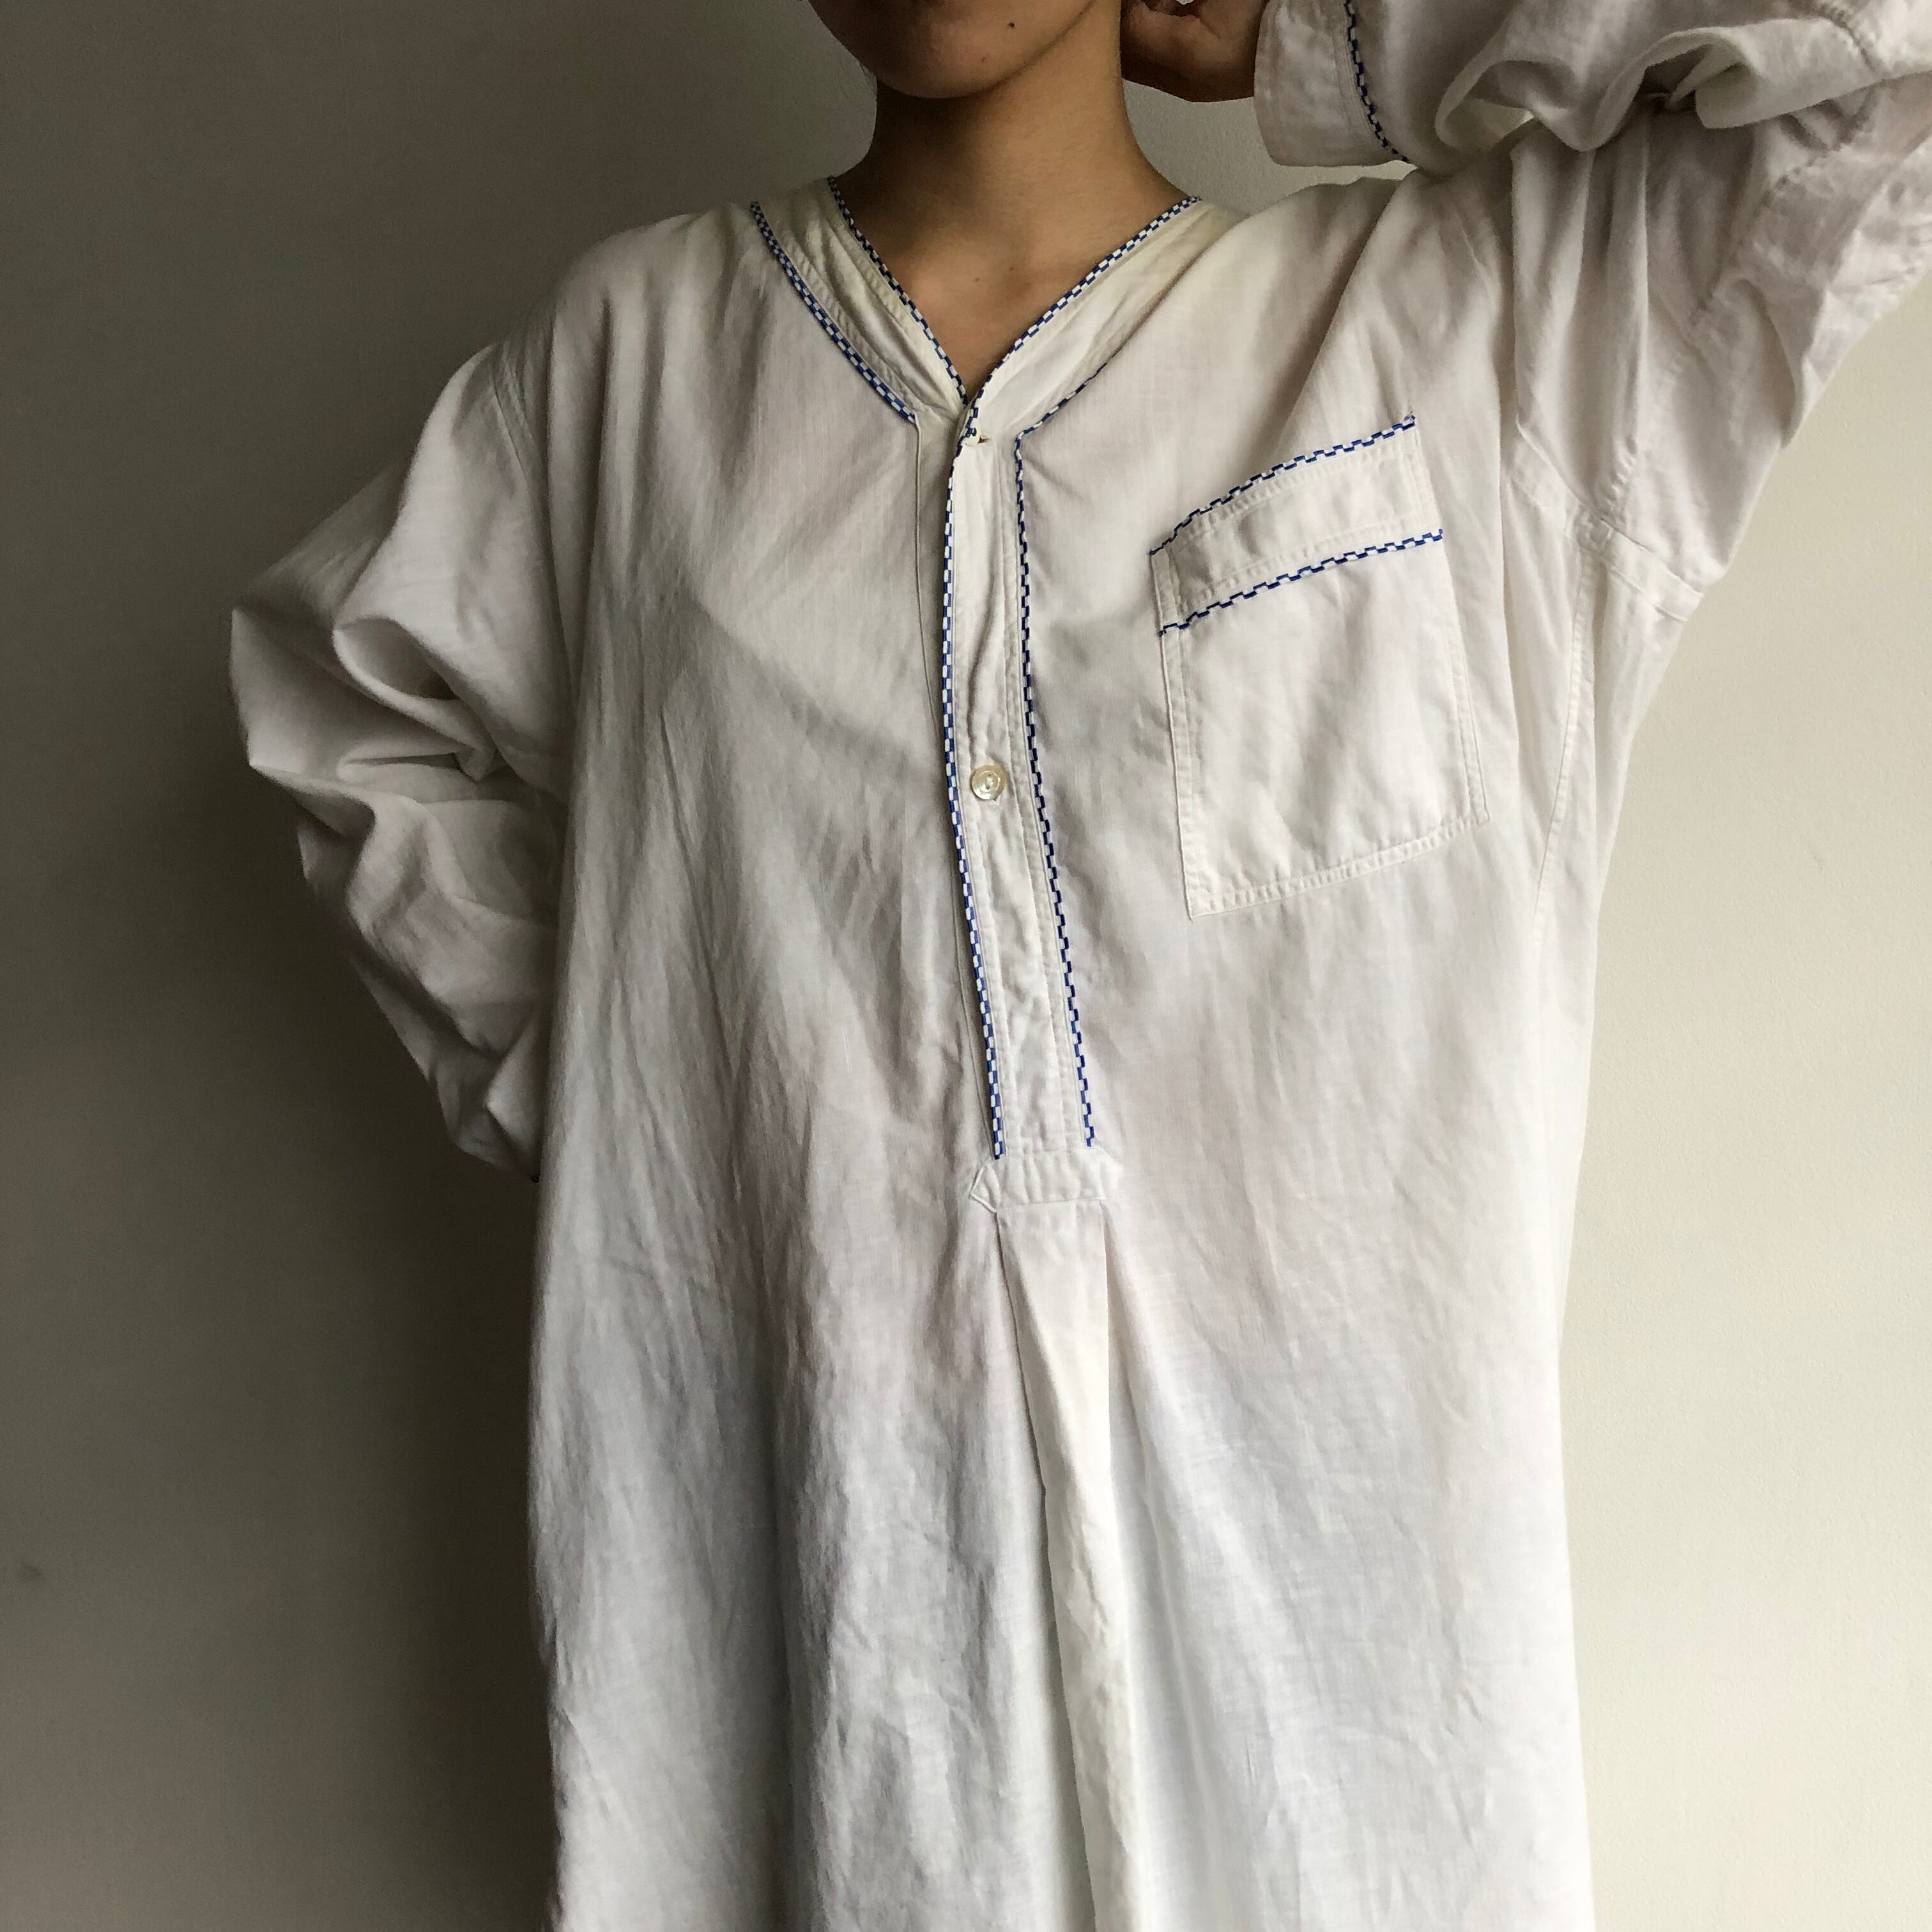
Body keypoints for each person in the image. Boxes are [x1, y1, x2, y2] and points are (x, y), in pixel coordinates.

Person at [226, 1, 1932, 1926]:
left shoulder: (1479, 336)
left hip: (1361, 1757)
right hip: (851, 1722)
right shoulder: (631, 375)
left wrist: (1333, 37)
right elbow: (346, 704)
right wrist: (663, 1109)